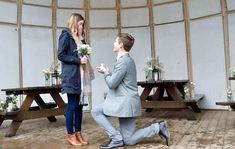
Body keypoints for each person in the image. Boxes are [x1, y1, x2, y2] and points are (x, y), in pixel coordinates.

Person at [91, 33, 170, 149]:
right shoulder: (127, 60)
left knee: (96, 111)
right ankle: (158, 128)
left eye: (115, 41)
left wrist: (106, 72)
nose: (113, 43)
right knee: (129, 139)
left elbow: (112, 84)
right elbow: (119, 80)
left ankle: (116, 138)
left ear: (121, 45)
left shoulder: (123, 61)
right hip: (128, 104)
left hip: (124, 104)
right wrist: (108, 72)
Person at [58, 13, 90, 146]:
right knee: (72, 105)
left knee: (80, 107)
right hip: (71, 77)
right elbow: (61, 55)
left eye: (83, 24)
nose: (82, 26)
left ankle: (78, 133)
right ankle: (70, 135)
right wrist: (78, 60)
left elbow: (84, 56)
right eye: (81, 24)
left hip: (81, 77)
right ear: (74, 23)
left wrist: (85, 57)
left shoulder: (81, 39)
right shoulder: (66, 35)